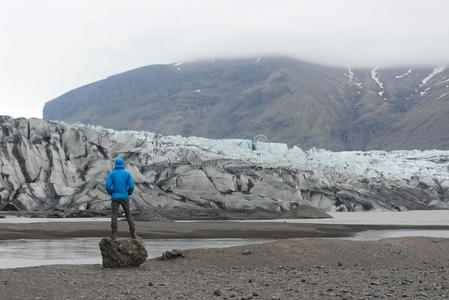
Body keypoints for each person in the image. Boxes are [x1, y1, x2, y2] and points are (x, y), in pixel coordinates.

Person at [105, 158, 137, 239]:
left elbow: (107, 186)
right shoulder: (127, 174)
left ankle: (113, 234)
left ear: (116, 164)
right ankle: (133, 233)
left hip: (115, 197)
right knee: (128, 214)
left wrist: (111, 192)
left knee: (114, 214)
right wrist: (129, 192)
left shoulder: (112, 174)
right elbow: (132, 186)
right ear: (123, 164)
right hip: (125, 197)